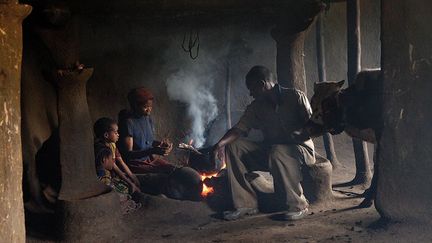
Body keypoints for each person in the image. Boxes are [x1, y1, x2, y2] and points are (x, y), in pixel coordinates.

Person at [212, 65, 315, 221]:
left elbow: (312, 126)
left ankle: (299, 205)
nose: (250, 94)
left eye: (251, 89)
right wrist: (220, 144)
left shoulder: (296, 97)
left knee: (279, 150)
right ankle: (246, 204)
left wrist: (297, 134)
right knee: (234, 146)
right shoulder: (256, 107)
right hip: (272, 151)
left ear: (262, 85)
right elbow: (239, 129)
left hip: (300, 150)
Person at [118, 87, 202, 201]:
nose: (149, 110)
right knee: (165, 177)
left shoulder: (148, 119)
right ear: (134, 105)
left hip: (150, 159)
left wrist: (161, 144)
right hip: (137, 164)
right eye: (145, 107)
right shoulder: (128, 122)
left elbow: (148, 142)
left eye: (150, 107)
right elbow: (128, 155)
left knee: (175, 170)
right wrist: (152, 151)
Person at [93, 117, 141, 194]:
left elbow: (121, 162)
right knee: (127, 190)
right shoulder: (102, 150)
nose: (118, 135)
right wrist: (130, 182)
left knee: (131, 185)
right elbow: (114, 167)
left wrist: (132, 176)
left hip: (112, 177)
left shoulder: (112, 145)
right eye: (116, 133)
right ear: (106, 135)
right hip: (105, 179)